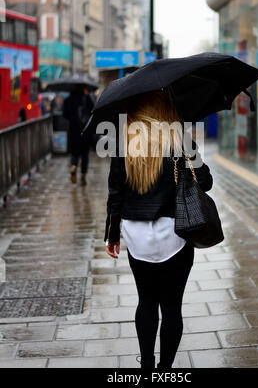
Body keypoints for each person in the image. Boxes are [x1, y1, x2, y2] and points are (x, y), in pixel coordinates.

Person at [104, 89, 213, 369]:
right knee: (172, 307)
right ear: (164, 108)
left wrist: (112, 234)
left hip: (136, 236)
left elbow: (115, 192)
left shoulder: (121, 139)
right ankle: (165, 371)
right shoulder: (176, 137)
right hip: (173, 234)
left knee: (146, 301)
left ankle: (147, 368)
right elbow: (206, 181)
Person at [63, 85, 94, 185]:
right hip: (85, 131)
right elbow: (93, 109)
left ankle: (73, 166)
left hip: (73, 131)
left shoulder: (68, 100)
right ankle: (83, 175)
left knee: (74, 152)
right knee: (85, 155)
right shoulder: (86, 98)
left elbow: (65, 115)